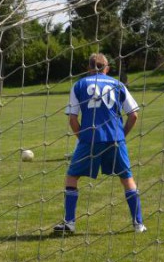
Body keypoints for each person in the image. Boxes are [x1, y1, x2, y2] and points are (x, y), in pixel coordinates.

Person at [53, 53, 146, 235]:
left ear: (88, 68)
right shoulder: (118, 84)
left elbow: (72, 119)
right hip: (115, 139)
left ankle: (70, 222)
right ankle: (138, 224)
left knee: (72, 177)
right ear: (107, 68)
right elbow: (133, 114)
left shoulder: (79, 85)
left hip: (90, 139)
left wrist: (84, 139)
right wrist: (121, 135)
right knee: (127, 179)